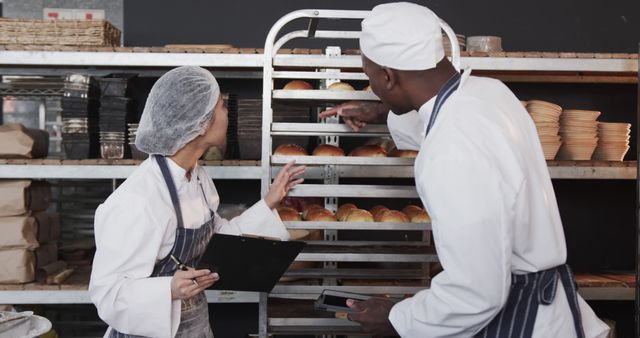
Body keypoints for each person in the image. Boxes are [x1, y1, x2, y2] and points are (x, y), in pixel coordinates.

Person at [320, 3, 610, 338]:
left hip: (521, 320)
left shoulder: (450, 154)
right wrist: (381, 111)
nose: (373, 85)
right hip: (548, 305)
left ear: (388, 76)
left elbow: (476, 292)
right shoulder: (490, 92)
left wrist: (398, 319)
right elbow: (441, 121)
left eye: (371, 77)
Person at [89, 66, 305, 338]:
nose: (227, 114)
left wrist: (269, 202)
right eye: (222, 107)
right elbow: (106, 293)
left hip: (195, 328)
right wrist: (168, 288)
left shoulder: (197, 177)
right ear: (200, 123)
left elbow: (218, 240)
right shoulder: (138, 200)